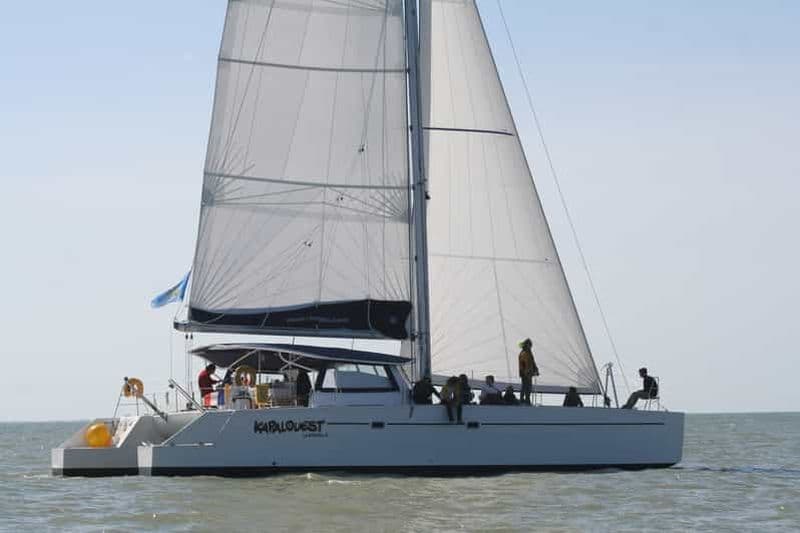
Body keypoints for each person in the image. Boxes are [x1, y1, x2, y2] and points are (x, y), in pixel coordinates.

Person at [518, 338, 539, 405]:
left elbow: (532, 362)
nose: (530, 346)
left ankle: (526, 399)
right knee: (525, 386)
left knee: (528, 387)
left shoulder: (528, 352)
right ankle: (523, 399)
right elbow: (523, 363)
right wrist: (526, 372)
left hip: (528, 372)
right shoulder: (524, 353)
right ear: (526, 344)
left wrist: (535, 369)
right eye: (529, 344)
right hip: (525, 373)